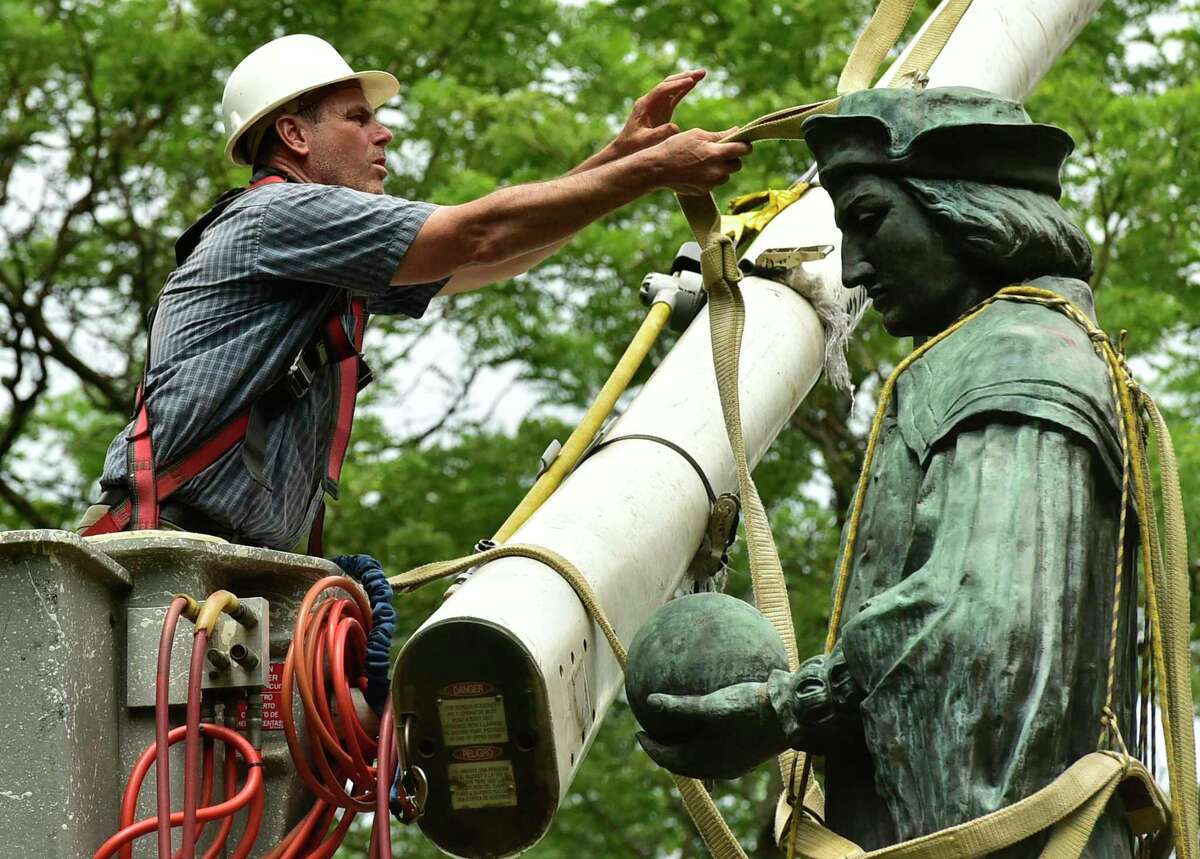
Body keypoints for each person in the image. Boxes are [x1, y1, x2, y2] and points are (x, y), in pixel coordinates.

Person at [633, 86, 1138, 858]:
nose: (856, 268)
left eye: (869, 221)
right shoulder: (992, 355)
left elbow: (976, 631)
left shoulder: (1014, 357)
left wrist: (782, 707)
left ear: (968, 209)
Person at [79, 34, 750, 552]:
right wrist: (651, 171)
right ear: (293, 134)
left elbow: (494, 257)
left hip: (216, 563)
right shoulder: (275, 219)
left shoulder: (321, 255)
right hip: (157, 557)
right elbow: (480, 235)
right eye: (357, 117)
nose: (384, 132)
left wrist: (620, 160)